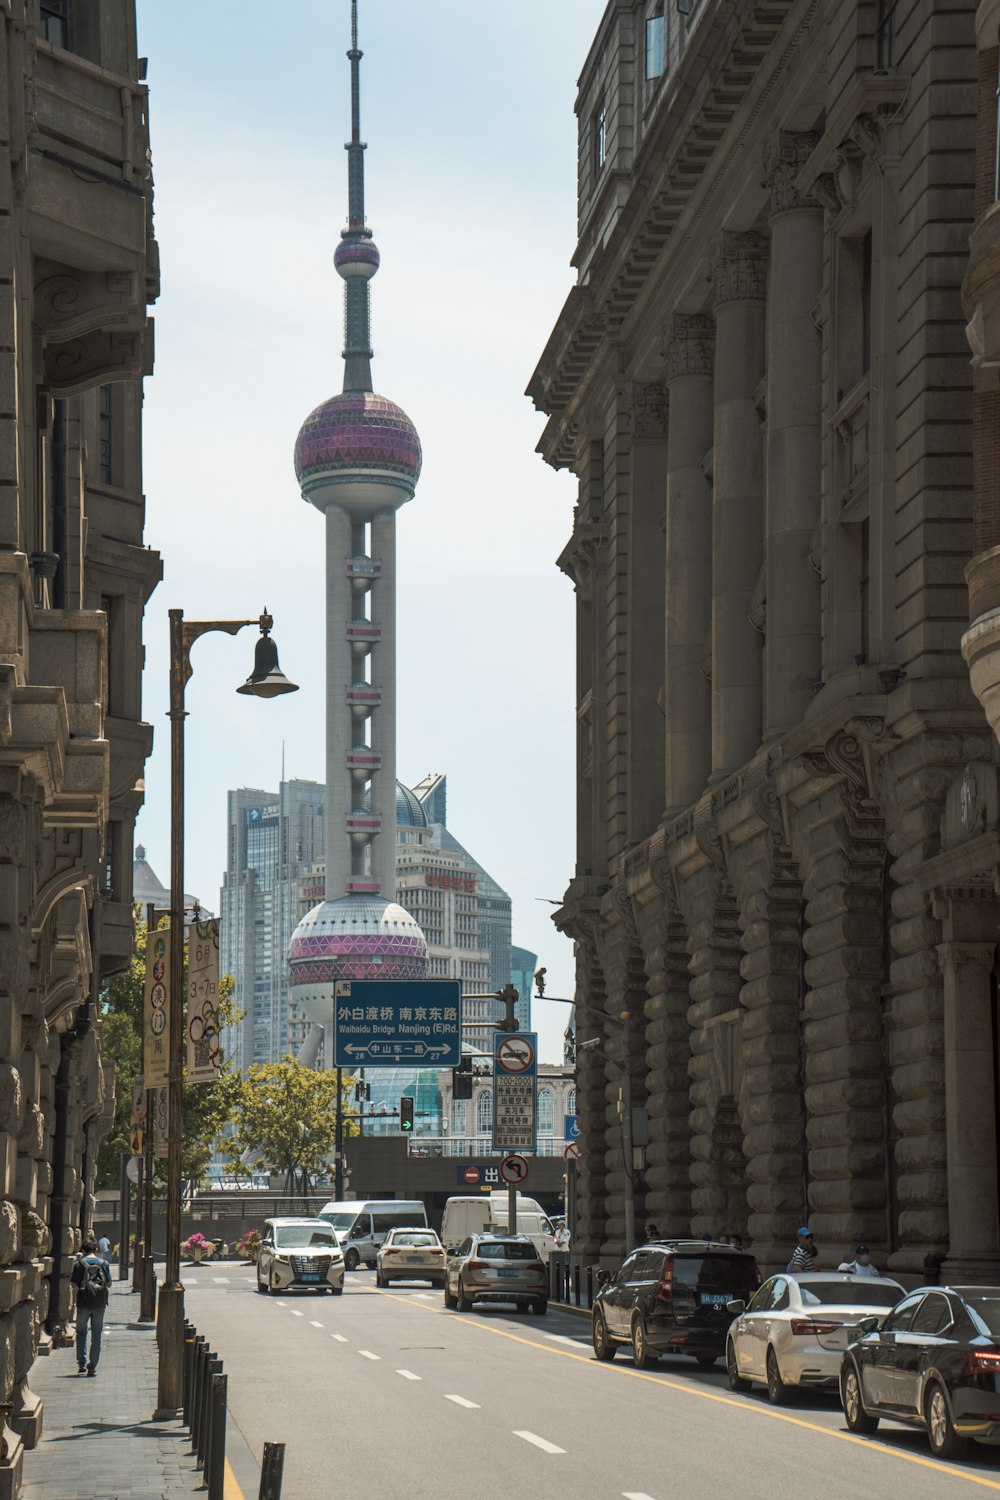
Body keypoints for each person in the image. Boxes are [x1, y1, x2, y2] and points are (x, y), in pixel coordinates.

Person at [71, 1238, 111, 1376]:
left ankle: (81, 1362)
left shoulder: (78, 1264)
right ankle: (92, 1366)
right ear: (96, 1250)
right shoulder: (103, 1263)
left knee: (81, 1332)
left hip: (83, 1303)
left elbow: (74, 1284)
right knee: (96, 1334)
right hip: (99, 1304)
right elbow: (109, 1283)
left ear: (82, 1250)